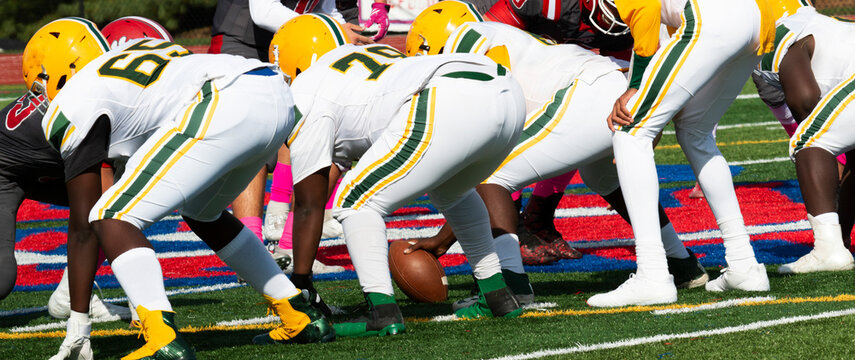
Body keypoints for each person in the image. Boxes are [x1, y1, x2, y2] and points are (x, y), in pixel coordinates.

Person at [23, 18, 334, 360]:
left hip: (225, 100)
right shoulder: (130, 59)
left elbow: (84, 226)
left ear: (50, 75)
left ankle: (162, 338)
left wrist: (78, 322)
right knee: (203, 212)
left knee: (110, 215)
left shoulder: (72, 103)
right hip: (272, 92)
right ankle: (298, 313)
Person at [403, 1, 708, 310]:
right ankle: (682, 263)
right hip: (611, 82)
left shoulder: (465, 43)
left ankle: (511, 287)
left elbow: (480, 159)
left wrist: (442, 239)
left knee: (491, 175)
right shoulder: (499, 36)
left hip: (588, 93)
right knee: (601, 176)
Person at [270, 13, 527, 336]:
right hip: (505, 91)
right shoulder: (370, 58)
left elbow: (309, 201)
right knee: (452, 190)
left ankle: (383, 312)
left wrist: (301, 282)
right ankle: (497, 294)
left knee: (354, 200)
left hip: (446, 96)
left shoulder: (307, 88)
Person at [590, 0, 783, 307]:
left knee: (631, 130)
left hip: (714, 16)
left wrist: (636, 88)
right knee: (695, 132)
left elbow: (645, 10)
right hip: (757, 17)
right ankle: (743, 263)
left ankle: (652, 273)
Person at [45, 15, 176, 326]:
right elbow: (107, 212)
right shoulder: (97, 107)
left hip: (112, 136)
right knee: (112, 211)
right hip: (74, 150)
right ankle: (80, 297)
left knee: (118, 209)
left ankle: (68, 292)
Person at [754, 4, 855, 273]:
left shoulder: (776, 37)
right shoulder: (815, 21)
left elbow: (805, 101)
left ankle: (828, 250)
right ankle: (839, 240)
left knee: (808, 141)